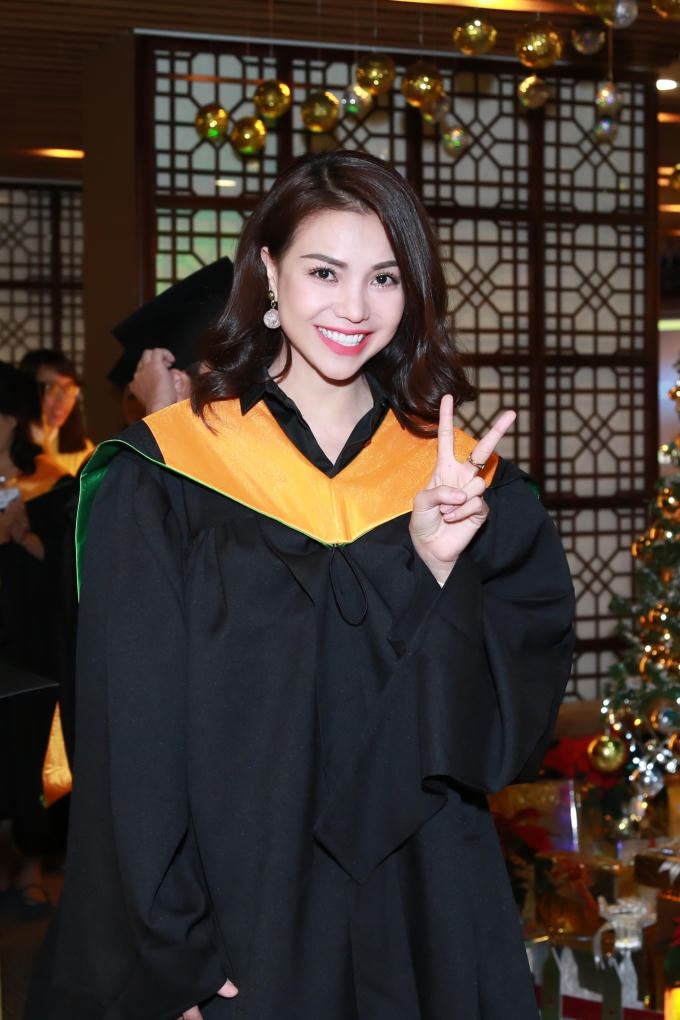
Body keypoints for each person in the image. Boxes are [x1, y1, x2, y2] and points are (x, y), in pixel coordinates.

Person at [49, 150, 574, 1020]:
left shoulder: (462, 486)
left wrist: (436, 569)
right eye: (324, 271)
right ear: (268, 271)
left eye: (385, 278)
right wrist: (169, 947)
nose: (354, 308)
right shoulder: (166, 476)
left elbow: (493, 734)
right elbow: (127, 735)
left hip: (423, 893)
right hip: (243, 905)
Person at [0, 363, 75, 916]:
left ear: (9, 421)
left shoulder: (51, 485)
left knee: (28, 751)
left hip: (30, 642)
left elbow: (69, 574)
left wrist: (23, 535)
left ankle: (29, 870)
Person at [19, 349, 94, 476]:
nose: (62, 399)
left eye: (69, 387)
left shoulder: (84, 451)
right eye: (50, 387)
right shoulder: (7, 444)